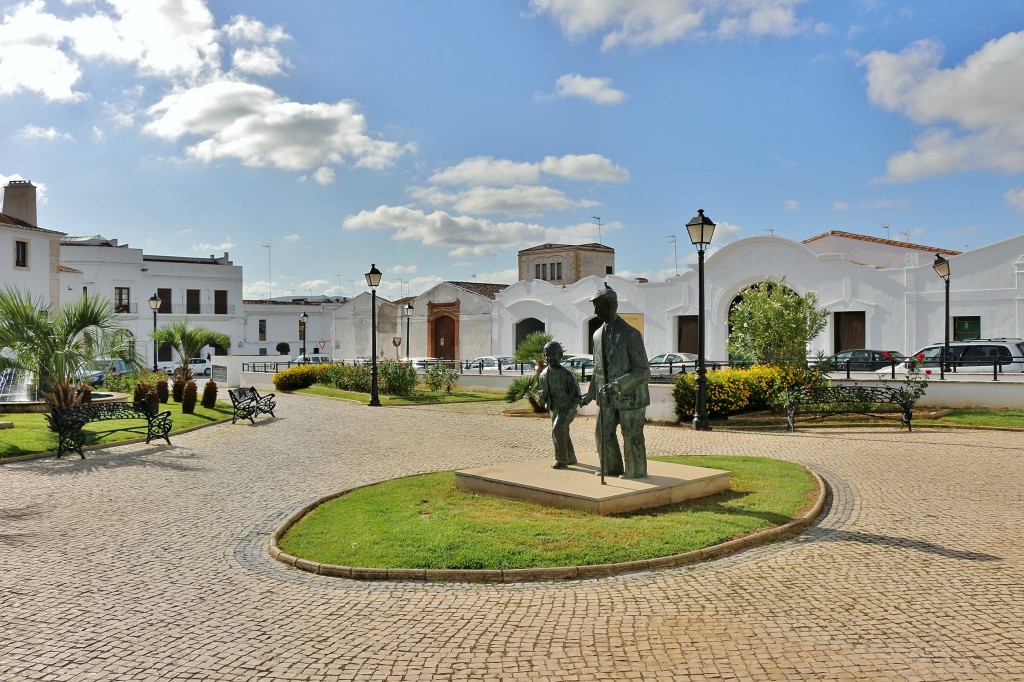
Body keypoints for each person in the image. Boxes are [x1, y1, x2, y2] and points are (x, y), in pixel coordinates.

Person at [580, 285, 651, 478]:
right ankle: (610, 467)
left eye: (598, 307)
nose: (595, 311)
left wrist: (619, 385)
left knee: (631, 435)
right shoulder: (596, 335)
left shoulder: (630, 334)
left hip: (631, 396)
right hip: (606, 397)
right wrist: (589, 394)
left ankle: (636, 470)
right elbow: (598, 368)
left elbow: (643, 370)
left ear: (611, 306)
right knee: (602, 432)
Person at [538, 341, 583, 469]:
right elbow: (542, 392)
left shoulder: (567, 374)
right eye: (547, 355)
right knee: (561, 432)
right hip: (554, 408)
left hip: (567, 407)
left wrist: (575, 404)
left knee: (558, 429)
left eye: (553, 354)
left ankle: (561, 460)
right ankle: (570, 457)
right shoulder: (543, 375)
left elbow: (576, 393)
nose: (549, 358)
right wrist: (542, 395)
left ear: (560, 355)